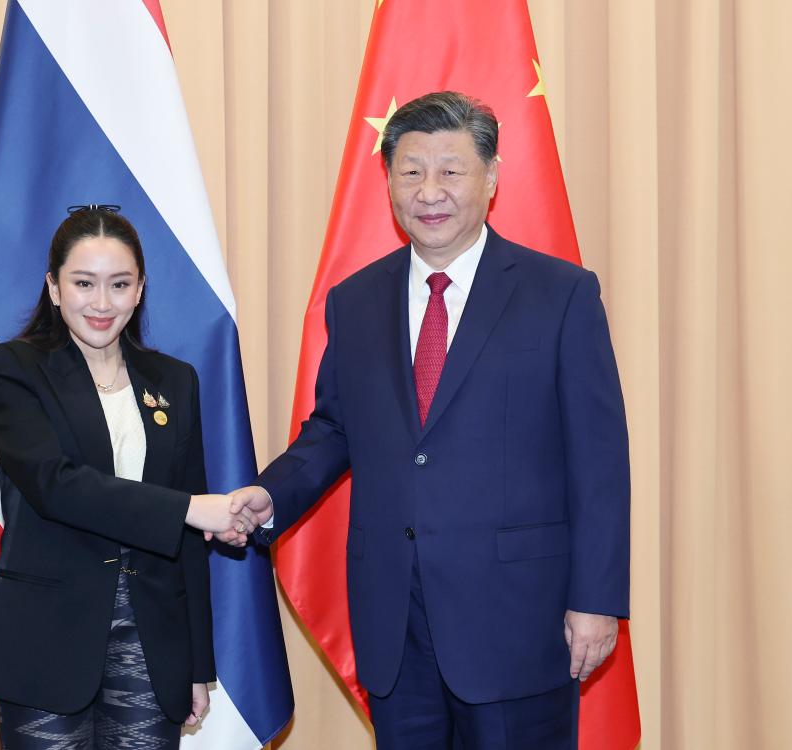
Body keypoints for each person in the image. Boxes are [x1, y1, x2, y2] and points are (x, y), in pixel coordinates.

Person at [227, 92, 631, 749]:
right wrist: (269, 495)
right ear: (388, 181)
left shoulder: (561, 295)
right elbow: (334, 428)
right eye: (411, 171)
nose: (430, 190)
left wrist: (597, 599)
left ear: (492, 178)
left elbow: (600, 461)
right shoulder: (354, 302)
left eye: (451, 170)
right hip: (396, 620)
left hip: (518, 621)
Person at [0, 205, 253, 749]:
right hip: (45, 639)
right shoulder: (13, 368)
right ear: (53, 287)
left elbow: (190, 547)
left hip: (153, 641)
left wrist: (196, 664)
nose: (102, 303)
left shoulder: (175, 380)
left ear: (140, 289)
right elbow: (56, 484)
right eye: (83, 283)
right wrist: (190, 507)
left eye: (119, 284)